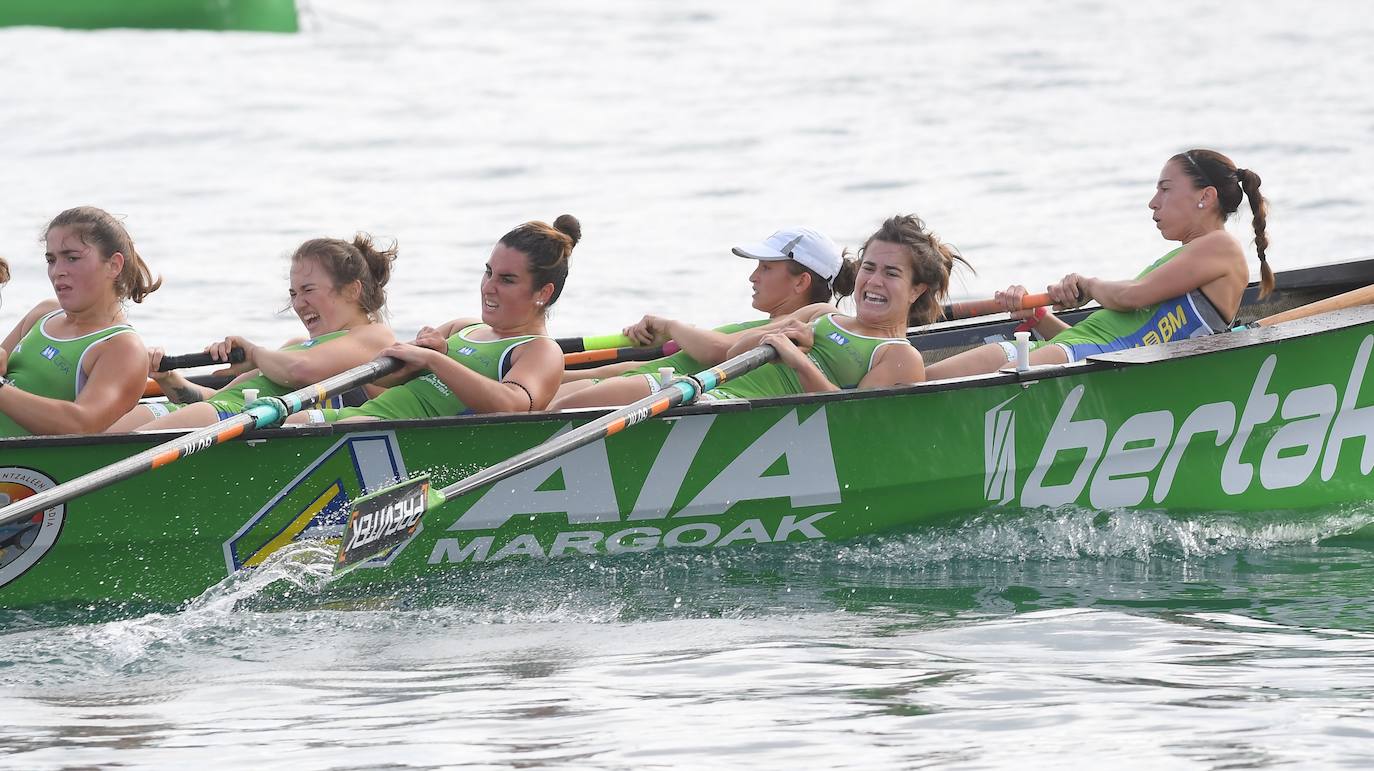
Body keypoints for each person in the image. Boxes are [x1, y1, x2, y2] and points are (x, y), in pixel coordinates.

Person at [926, 148, 1270, 379]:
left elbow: (1131, 298)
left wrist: (1089, 286)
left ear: (1205, 196)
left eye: (1165, 189)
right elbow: (1094, 336)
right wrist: (1037, 316)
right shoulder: (1177, 262)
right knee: (919, 381)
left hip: (1079, 359)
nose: (1153, 202)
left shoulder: (1221, 246)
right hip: (1067, 352)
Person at [289, 215, 579, 424]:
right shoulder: (462, 328)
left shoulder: (540, 350)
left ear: (543, 292)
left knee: (312, 426)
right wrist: (409, 357)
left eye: (507, 280)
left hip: (397, 433)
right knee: (293, 420)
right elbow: (385, 378)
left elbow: (513, 406)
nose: (488, 287)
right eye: (488, 272)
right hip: (362, 415)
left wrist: (435, 360)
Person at [108, 234, 398, 432]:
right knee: (98, 438)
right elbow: (216, 397)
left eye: (308, 290)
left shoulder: (375, 336)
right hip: (218, 413)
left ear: (352, 290)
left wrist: (255, 354)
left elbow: (300, 371)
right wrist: (170, 379)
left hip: (233, 421)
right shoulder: (296, 347)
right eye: (293, 294)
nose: (298, 304)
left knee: (113, 454)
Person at [550, 226, 856, 410]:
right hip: (643, 383)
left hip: (668, 392)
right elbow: (641, 366)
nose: (753, 277)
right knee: (542, 400)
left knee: (553, 408)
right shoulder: (756, 327)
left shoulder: (802, 326)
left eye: (766, 268)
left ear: (801, 282)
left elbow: (718, 352)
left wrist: (671, 326)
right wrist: (553, 374)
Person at [701, 214, 967, 401]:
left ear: (916, 289)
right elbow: (733, 354)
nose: (874, 281)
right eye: (869, 268)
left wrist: (799, 363)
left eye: (891, 273)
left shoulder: (899, 356)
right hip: (706, 394)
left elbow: (850, 421)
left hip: (731, 412)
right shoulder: (821, 314)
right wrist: (776, 335)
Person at [0, 207, 161, 437]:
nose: (57, 271)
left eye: (72, 258)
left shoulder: (123, 348)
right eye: (51, 260)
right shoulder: (43, 313)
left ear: (114, 265)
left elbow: (81, 424)